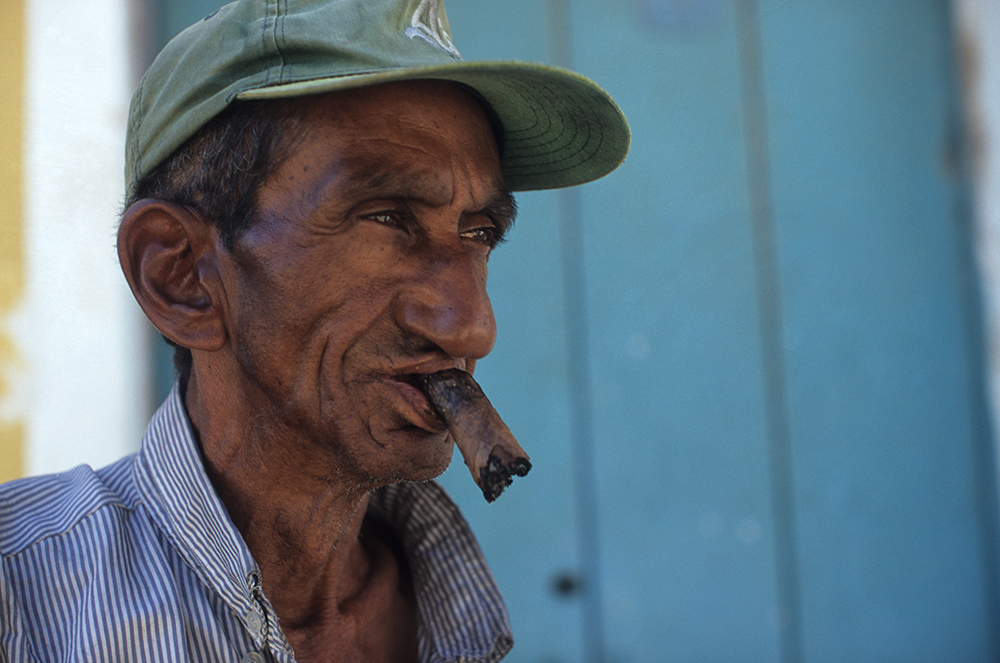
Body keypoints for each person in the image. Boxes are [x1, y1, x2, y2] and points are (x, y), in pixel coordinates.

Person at [0, 0, 628, 661]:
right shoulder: (21, 596)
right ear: (180, 275)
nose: (472, 327)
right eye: (386, 218)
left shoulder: (447, 616)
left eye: (478, 234)